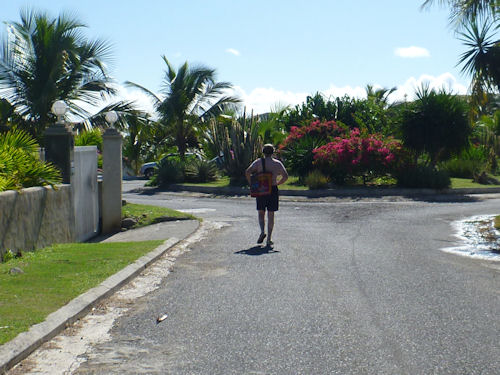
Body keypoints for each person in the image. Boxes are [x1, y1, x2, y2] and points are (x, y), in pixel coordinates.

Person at [245, 144, 288, 247]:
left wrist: (252, 183)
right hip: (272, 189)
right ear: (273, 152)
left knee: (261, 212)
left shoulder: (258, 162)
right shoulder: (277, 163)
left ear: (263, 152)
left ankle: (262, 231)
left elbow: (247, 171)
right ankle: (269, 238)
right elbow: (285, 176)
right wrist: (278, 183)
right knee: (271, 214)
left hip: (261, 189)